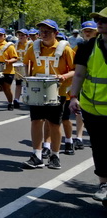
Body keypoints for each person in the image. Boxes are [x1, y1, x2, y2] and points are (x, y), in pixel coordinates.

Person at [20, 19, 75, 170]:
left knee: (54, 123)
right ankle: (37, 155)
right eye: (41, 31)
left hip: (57, 91)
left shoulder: (65, 49)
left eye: (47, 32)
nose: (43, 34)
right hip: (37, 89)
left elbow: (75, 69)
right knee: (36, 121)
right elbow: (26, 63)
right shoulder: (33, 47)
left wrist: (63, 77)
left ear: (56, 33)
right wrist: (27, 79)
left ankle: (55, 155)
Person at [69, 8, 107, 201]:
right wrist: (73, 97)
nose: (99, 23)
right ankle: (103, 184)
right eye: (98, 19)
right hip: (92, 108)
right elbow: (79, 74)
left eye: (104, 20)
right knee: (99, 147)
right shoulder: (87, 47)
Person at [72, 21, 98, 150]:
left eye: (90, 30)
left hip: (99, 90)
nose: (87, 33)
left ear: (96, 31)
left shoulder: (100, 46)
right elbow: (75, 70)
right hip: (84, 88)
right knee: (79, 113)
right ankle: (79, 137)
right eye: (85, 31)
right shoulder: (80, 47)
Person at [12, 28, 32, 109]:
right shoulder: (15, 45)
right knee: (18, 83)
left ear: (27, 36)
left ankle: (29, 98)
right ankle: (16, 99)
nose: (20, 37)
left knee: (28, 84)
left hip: (28, 66)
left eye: (22, 35)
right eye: (19, 35)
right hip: (19, 66)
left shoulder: (31, 44)